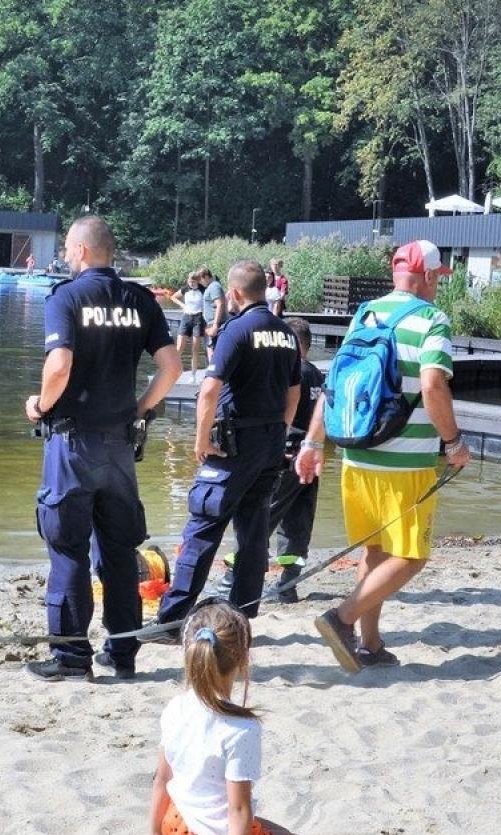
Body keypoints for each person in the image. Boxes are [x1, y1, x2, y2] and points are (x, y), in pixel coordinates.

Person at [295, 239, 473, 672]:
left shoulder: (365, 313)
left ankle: (370, 646)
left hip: (357, 458)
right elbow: (433, 387)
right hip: (405, 464)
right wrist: (453, 443)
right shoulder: (432, 319)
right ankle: (342, 619)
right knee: (411, 557)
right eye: (438, 278)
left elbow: (335, 384)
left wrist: (313, 442)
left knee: (374, 552)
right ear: (428, 276)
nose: (439, 286)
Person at [23, 215, 181, 681]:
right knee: (117, 550)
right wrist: (141, 410)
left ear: (84, 251)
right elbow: (170, 366)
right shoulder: (139, 300)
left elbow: (60, 364)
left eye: (70, 249)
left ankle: (72, 659)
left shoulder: (67, 297)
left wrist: (40, 406)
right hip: (118, 446)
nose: (67, 256)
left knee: (68, 549)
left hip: (72, 444)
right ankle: (124, 653)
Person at [153, 260, 300, 629]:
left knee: (203, 525)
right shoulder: (285, 333)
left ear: (234, 294)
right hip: (269, 441)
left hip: (234, 444)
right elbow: (294, 392)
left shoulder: (236, 331)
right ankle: (243, 615)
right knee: (253, 531)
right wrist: (279, 431)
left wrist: (201, 440)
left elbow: (209, 390)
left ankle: (172, 621)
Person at [147, 601, 317, 835]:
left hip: (176, 827)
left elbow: (162, 779)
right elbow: (238, 809)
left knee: (277, 831)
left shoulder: (176, 707)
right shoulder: (240, 729)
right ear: (241, 659)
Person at [209, 317, 325, 606]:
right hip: (310, 457)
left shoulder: (290, 372)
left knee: (262, 517)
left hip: (286, 456)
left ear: (295, 344)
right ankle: (288, 583)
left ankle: (234, 576)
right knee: (299, 521)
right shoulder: (318, 376)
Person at [170, 269, 208, 376]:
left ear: (197, 281)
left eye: (193, 281)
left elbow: (209, 301)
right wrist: (183, 306)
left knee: (195, 348)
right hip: (186, 317)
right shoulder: (185, 289)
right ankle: (174, 372)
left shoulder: (203, 290)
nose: (191, 283)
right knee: (179, 347)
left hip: (198, 318)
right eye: (189, 281)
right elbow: (173, 297)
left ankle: (193, 374)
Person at [202, 266, 227, 342]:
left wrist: (215, 325)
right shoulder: (210, 286)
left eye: (200, 280)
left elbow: (220, 304)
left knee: (215, 350)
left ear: (206, 277)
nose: (200, 283)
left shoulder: (214, 286)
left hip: (216, 324)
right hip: (211, 323)